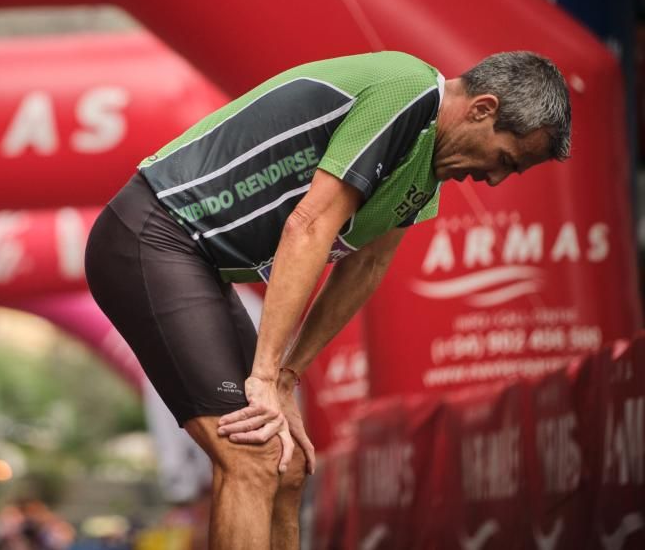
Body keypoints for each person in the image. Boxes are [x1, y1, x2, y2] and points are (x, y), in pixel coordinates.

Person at [84, 51, 571, 548]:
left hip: (198, 264)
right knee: (250, 458)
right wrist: (265, 376)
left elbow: (365, 266)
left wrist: (288, 377)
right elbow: (309, 226)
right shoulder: (407, 91)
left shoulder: (428, 168)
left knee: (287, 464)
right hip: (151, 237)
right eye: (506, 159)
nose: (493, 179)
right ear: (482, 109)